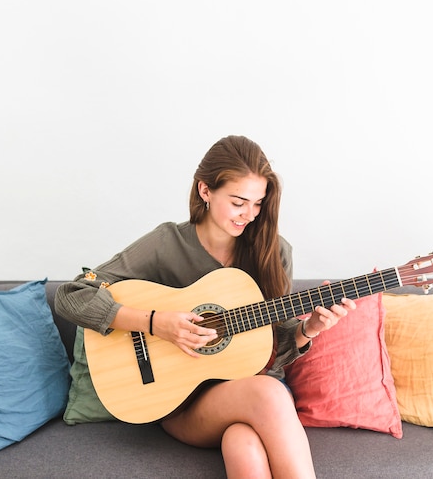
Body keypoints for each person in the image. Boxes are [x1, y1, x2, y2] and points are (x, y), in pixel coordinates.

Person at [55, 135, 356, 479]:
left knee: (244, 446)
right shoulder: (168, 243)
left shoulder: (276, 252)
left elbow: (273, 348)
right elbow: (71, 295)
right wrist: (155, 323)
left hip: (253, 391)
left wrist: (307, 330)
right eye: (239, 202)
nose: (249, 215)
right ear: (205, 191)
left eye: (258, 204)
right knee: (271, 394)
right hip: (186, 404)